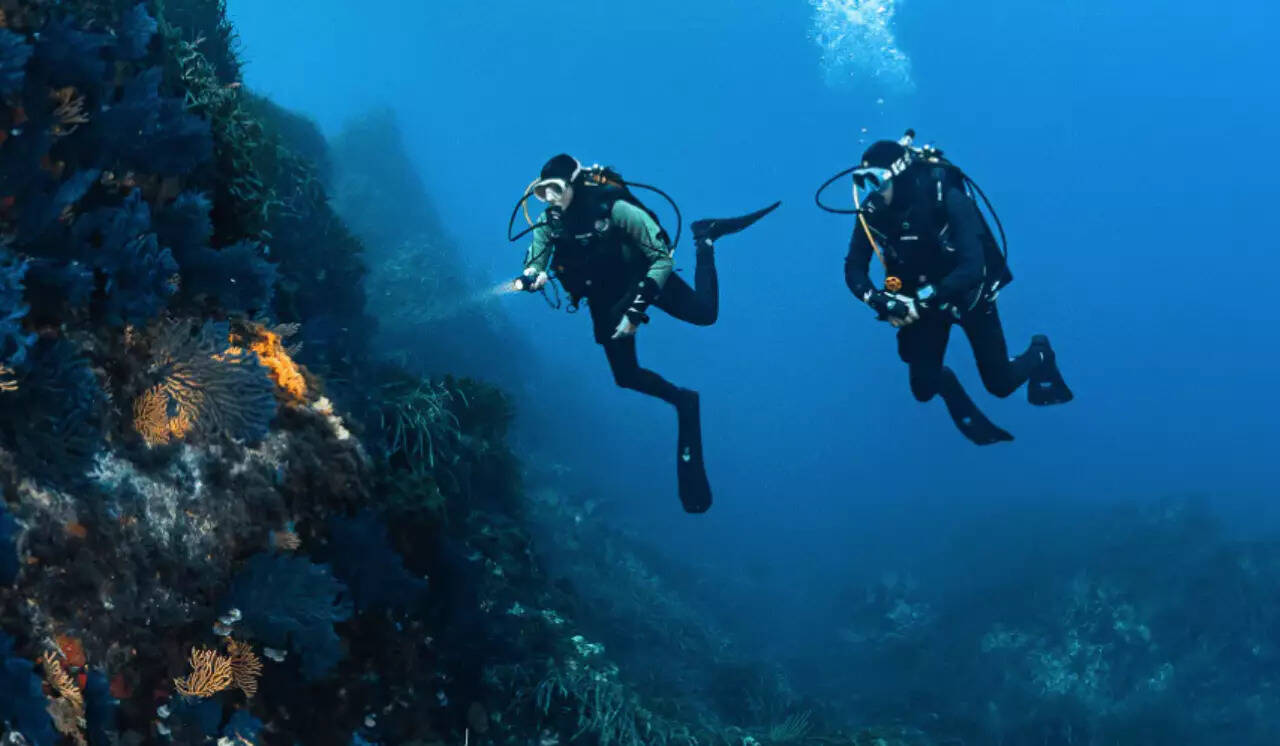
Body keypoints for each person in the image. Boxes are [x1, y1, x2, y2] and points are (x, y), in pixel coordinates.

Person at [513, 154, 778, 512]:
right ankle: (682, 400)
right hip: (605, 295)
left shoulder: (614, 207)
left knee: (704, 314)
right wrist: (533, 274)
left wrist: (637, 310)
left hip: (645, 275)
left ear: (573, 184)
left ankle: (706, 237)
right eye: (542, 193)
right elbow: (537, 258)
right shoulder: (550, 222)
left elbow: (661, 258)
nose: (551, 199)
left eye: (555, 190)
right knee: (624, 377)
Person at [840, 134, 1073, 444]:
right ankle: (945, 382)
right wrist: (878, 300)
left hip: (968, 296)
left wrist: (919, 302)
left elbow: (973, 267)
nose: (871, 193)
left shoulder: (945, 197)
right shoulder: (872, 213)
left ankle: (1041, 352)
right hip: (922, 303)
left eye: (878, 182)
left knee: (1000, 385)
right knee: (923, 390)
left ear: (900, 175)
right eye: (862, 183)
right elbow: (853, 267)